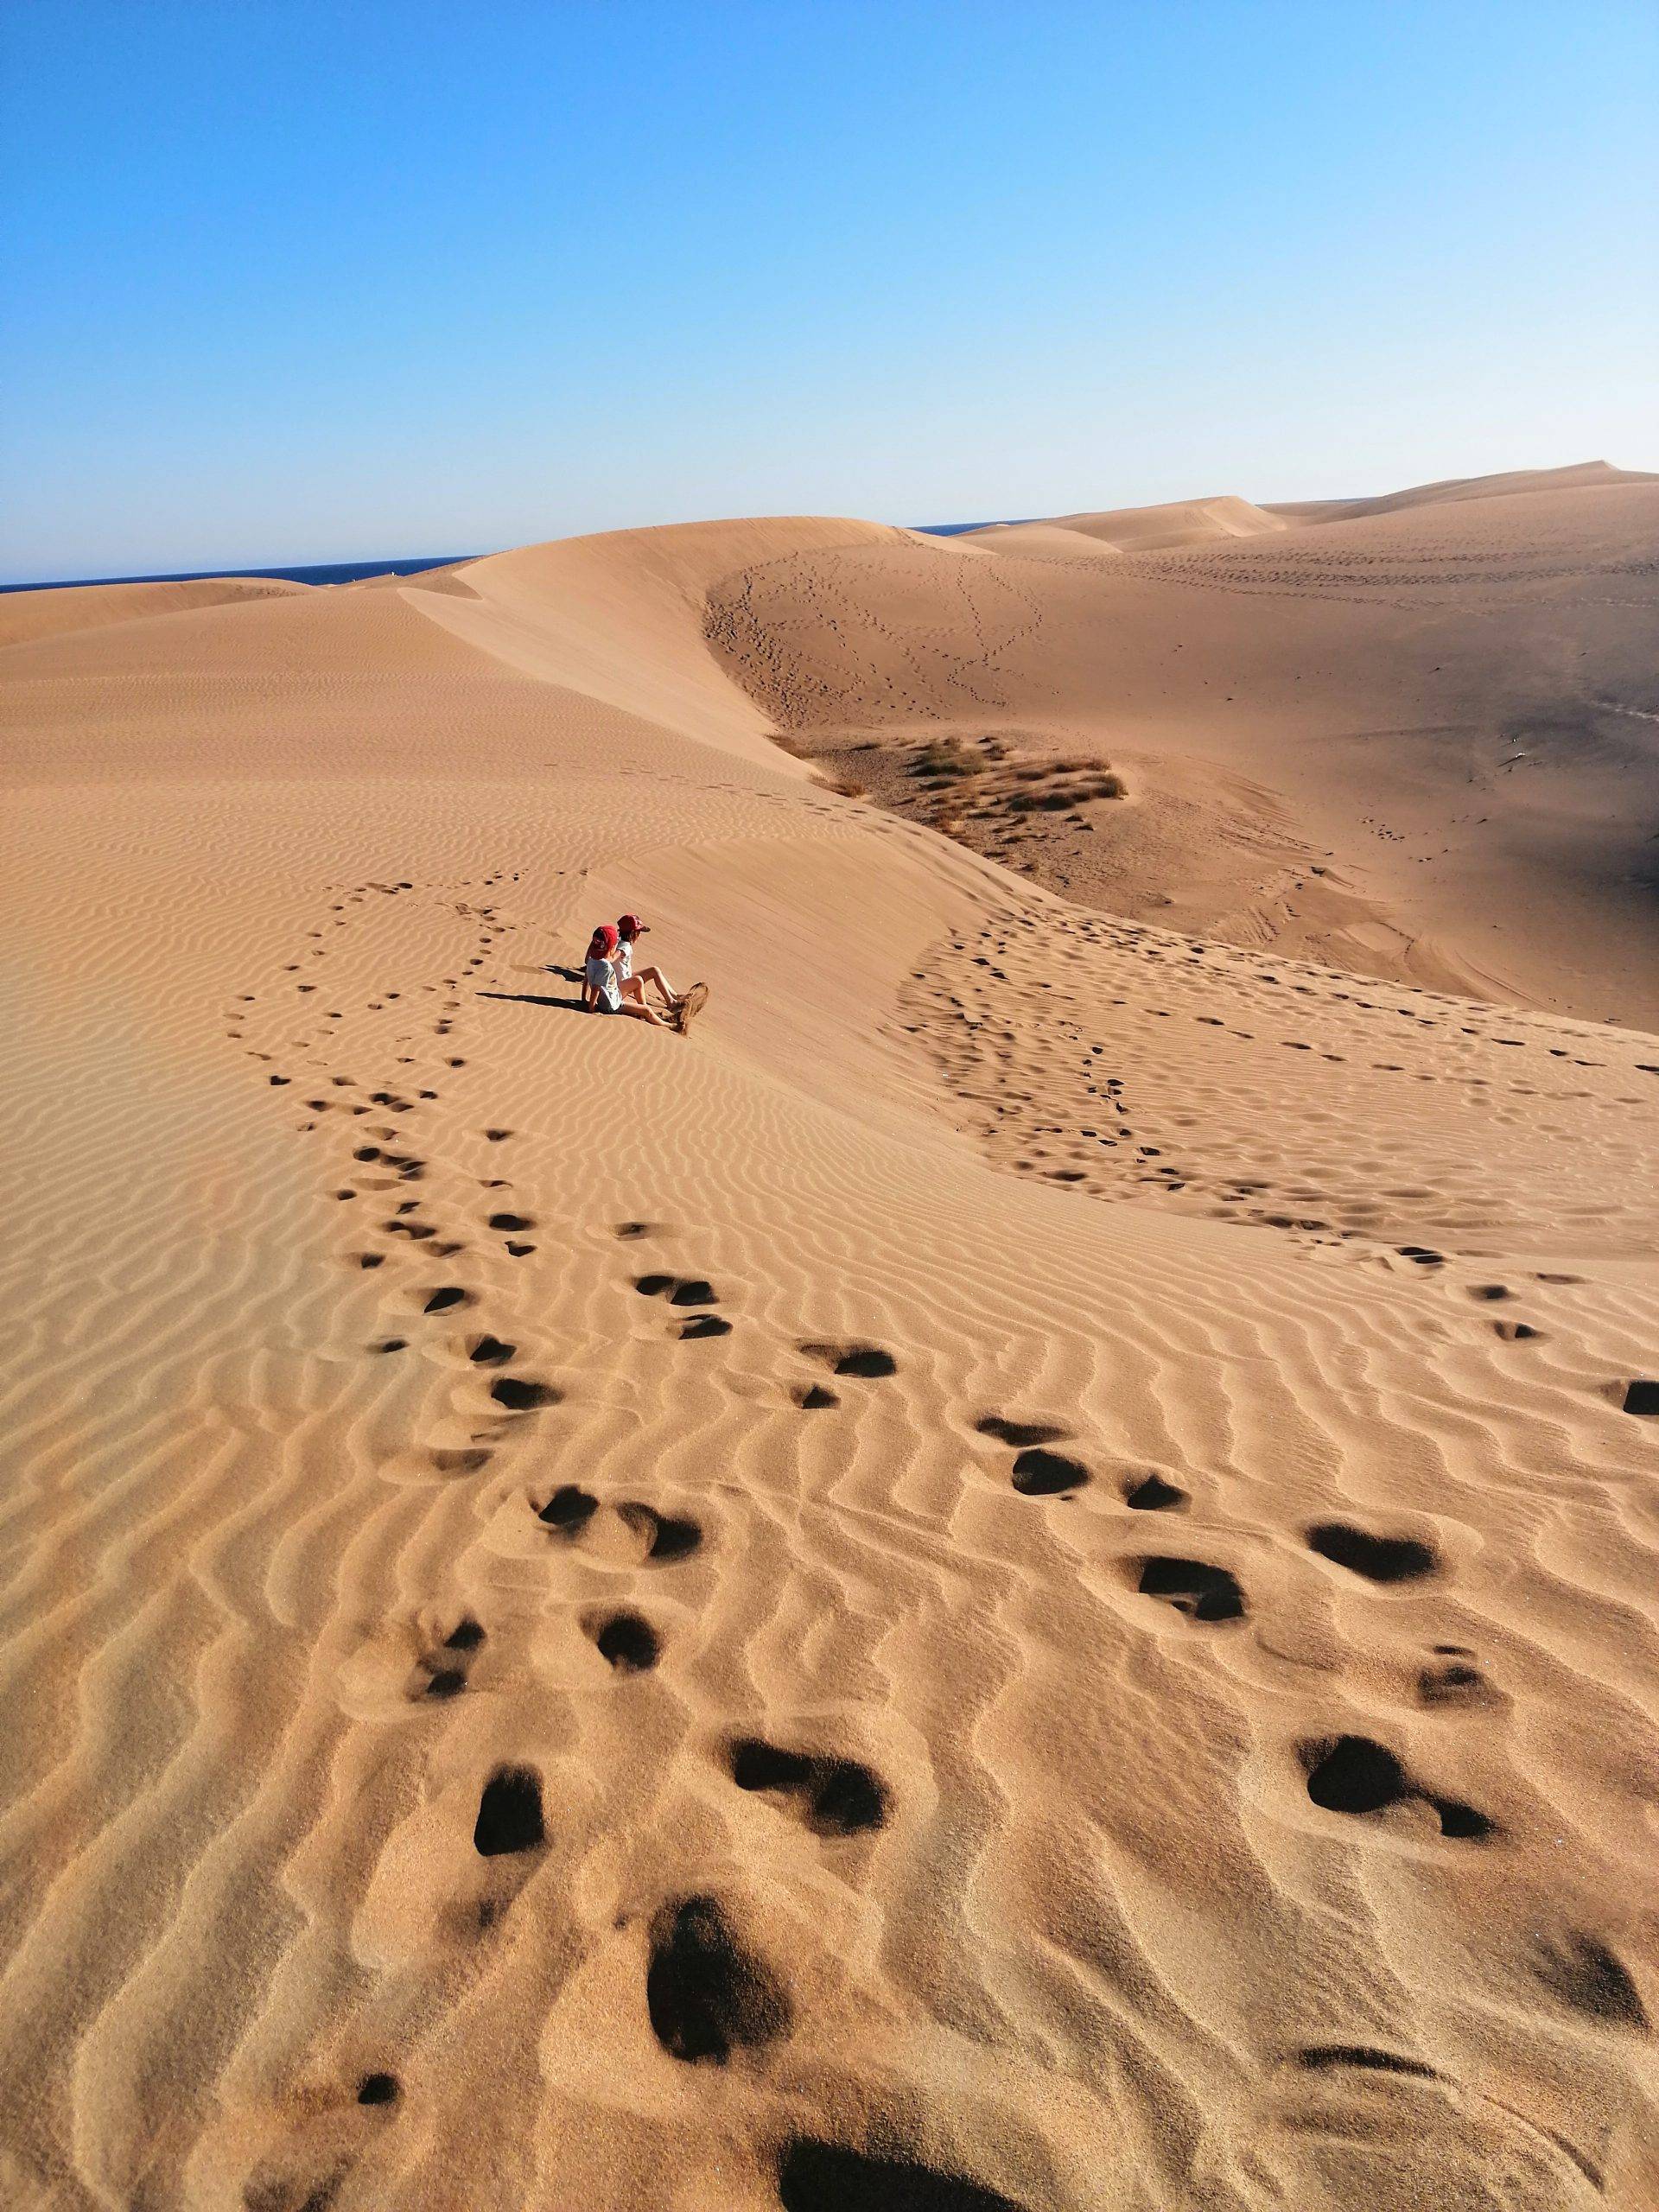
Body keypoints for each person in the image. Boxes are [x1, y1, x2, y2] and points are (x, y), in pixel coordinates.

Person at [582, 924, 675, 1029]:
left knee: (638, 981)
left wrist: (583, 999)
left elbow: (586, 979)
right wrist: (591, 1009)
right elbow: (596, 988)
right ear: (612, 947)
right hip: (612, 1005)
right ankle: (669, 1025)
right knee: (647, 1011)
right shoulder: (605, 965)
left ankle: (642, 1010)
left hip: (612, 994)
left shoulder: (592, 960)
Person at [613, 912, 683, 1012]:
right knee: (645, 976)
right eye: (639, 932)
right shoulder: (624, 947)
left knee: (654, 970)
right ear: (633, 933)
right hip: (623, 985)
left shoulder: (618, 941)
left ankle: (674, 996)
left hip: (625, 979)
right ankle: (671, 1003)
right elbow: (615, 956)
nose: (640, 935)